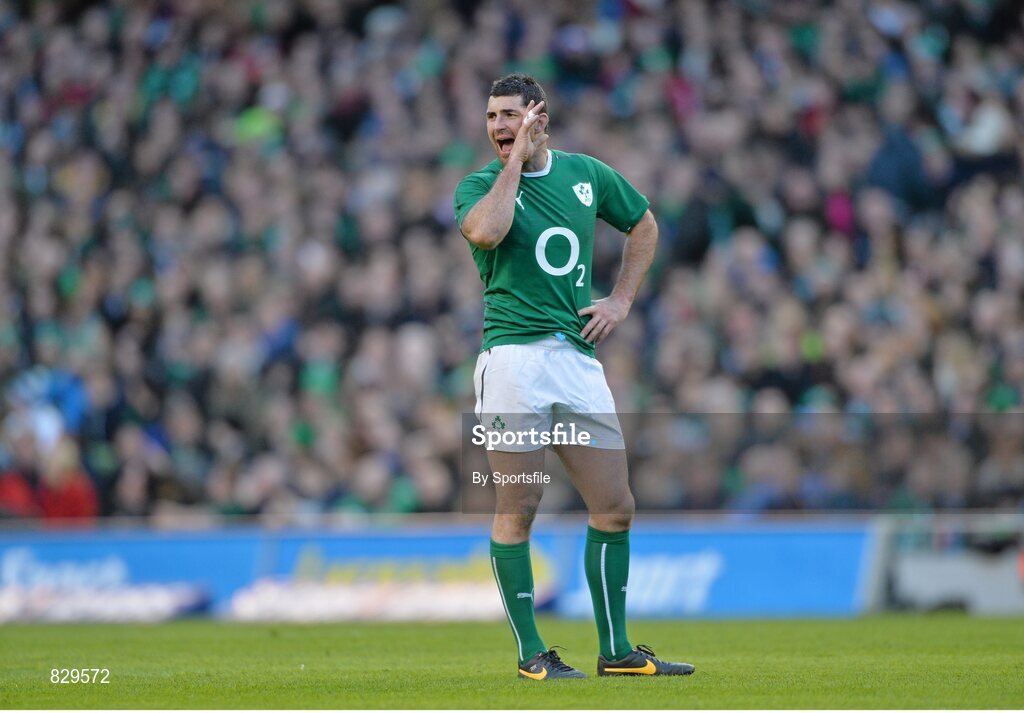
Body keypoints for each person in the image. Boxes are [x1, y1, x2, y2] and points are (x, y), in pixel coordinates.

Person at [454, 73, 695, 680]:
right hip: (511, 362)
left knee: (615, 506)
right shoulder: (480, 186)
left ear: (541, 117)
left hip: (576, 361)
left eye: (512, 114)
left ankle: (616, 653)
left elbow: (643, 226)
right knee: (520, 505)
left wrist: (620, 300)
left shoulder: (587, 174)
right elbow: (488, 231)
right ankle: (531, 656)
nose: (500, 126)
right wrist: (516, 162)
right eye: (492, 117)